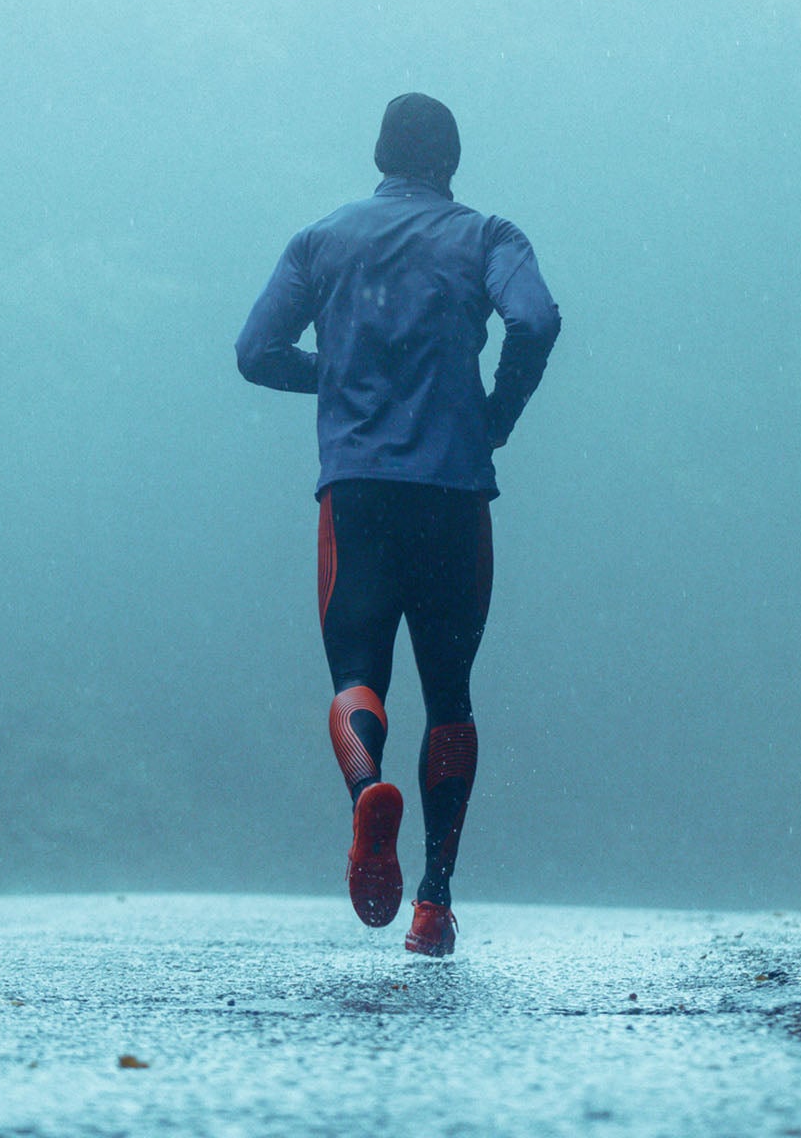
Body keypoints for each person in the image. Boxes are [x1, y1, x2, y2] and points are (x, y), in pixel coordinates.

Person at [235, 93, 561, 957]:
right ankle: (434, 902)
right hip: (454, 492)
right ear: (451, 162)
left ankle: (368, 793)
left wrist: (342, 376)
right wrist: (495, 408)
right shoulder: (489, 237)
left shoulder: (321, 240)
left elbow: (255, 351)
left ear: (379, 157)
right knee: (450, 693)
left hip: (359, 494)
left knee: (356, 673)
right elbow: (535, 318)